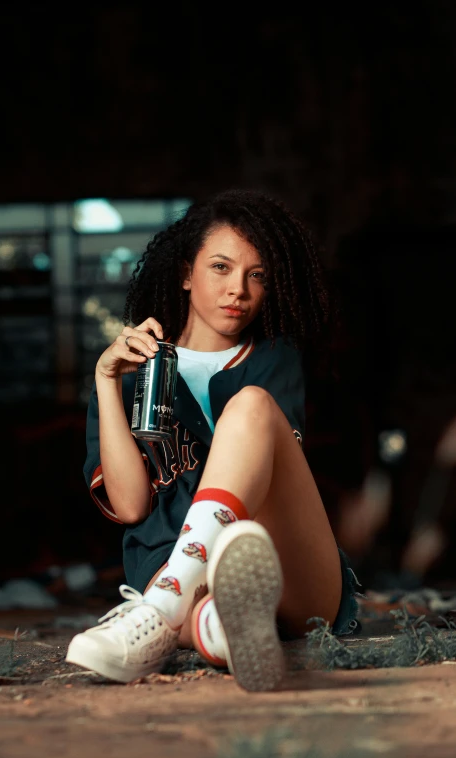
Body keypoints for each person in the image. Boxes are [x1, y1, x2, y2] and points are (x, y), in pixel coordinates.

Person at [66, 188, 362, 691]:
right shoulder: (132, 374)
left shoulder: (273, 358)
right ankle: (219, 629)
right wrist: (104, 379)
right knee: (219, 613)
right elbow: (132, 506)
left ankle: (160, 611)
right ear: (186, 273)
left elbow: (273, 489)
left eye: (257, 275)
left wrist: (166, 597)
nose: (238, 291)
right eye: (220, 268)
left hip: (290, 575)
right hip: (184, 582)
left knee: (250, 406)